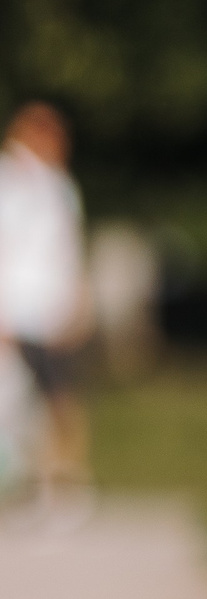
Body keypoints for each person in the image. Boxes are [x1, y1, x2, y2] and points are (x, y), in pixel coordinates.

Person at [0, 103, 91, 508]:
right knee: (17, 399)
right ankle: (28, 480)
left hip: (49, 309)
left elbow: (67, 253)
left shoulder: (59, 187)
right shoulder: (11, 180)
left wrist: (77, 301)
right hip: (16, 308)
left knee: (59, 397)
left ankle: (61, 481)